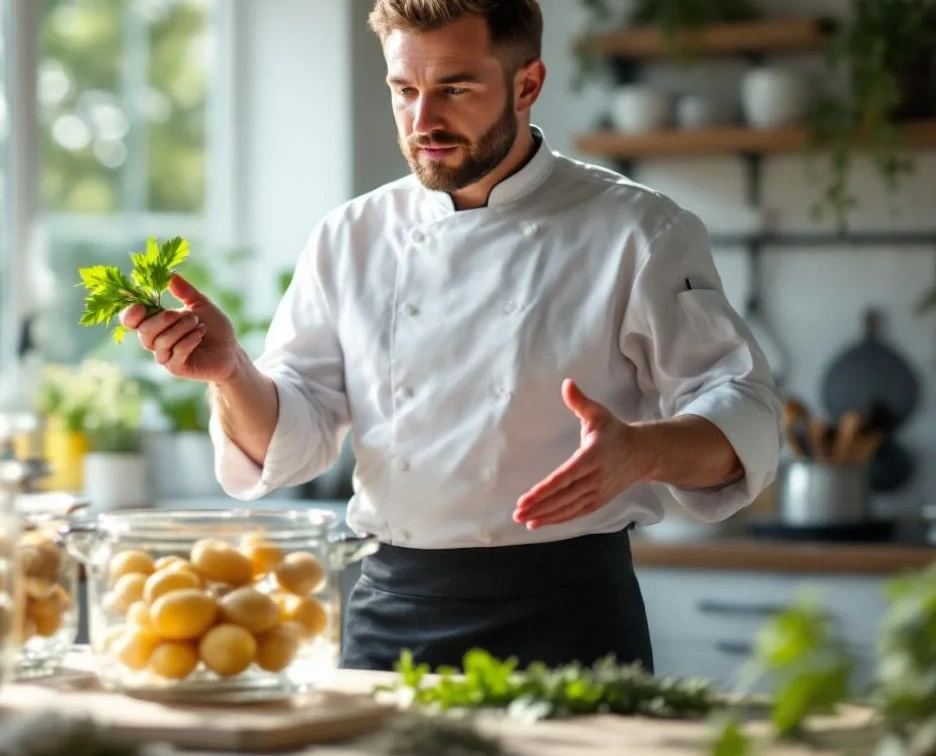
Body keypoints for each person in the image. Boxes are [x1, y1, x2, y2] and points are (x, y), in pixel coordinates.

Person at [120, 0, 781, 674]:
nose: (423, 121)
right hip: (391, 614)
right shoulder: (351, 236)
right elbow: (293, 439)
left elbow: (746, 411)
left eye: (455, 89)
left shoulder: (638, 231)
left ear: (528, 84)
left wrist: (641, 452)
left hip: (569, 617)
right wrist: (231, 372)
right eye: (404, 90)